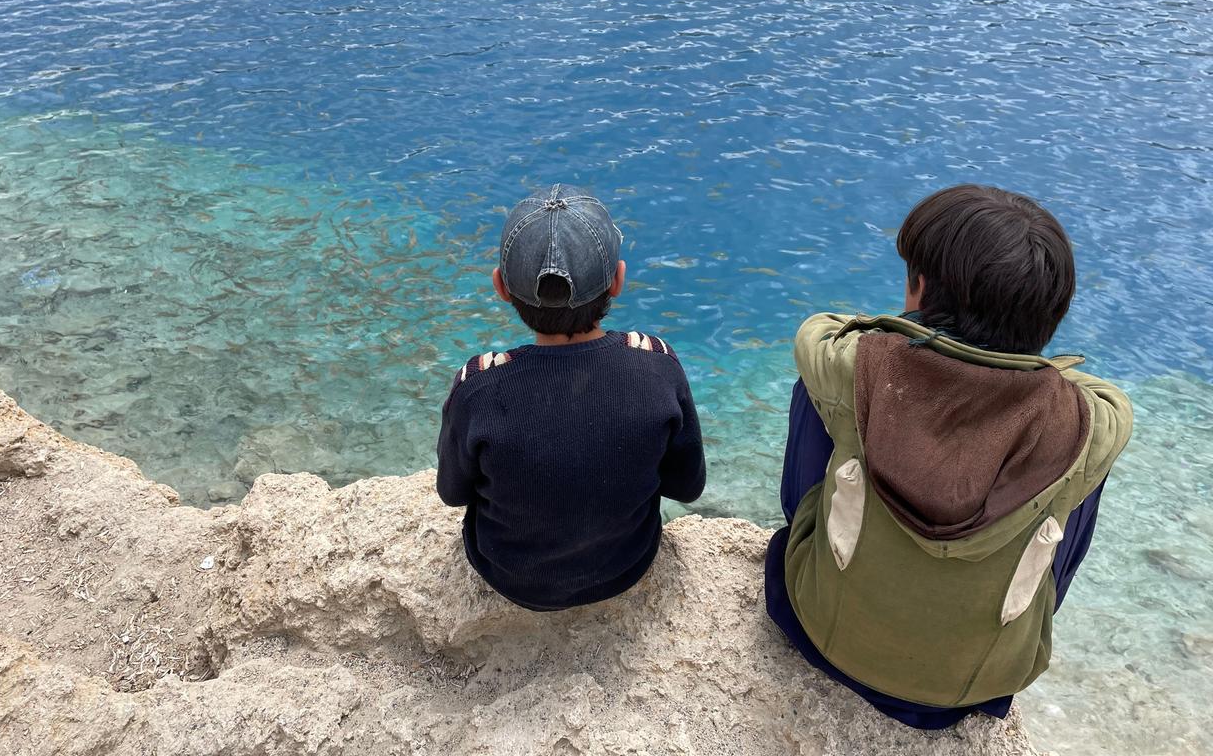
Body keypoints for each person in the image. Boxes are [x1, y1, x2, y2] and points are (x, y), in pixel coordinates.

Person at [764, 184, 1132, 728]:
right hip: (976, 684)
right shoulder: (1088, 420)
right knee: (1078, 460)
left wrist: (910, 340)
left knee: (821, 400)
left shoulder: (854, 368)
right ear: (1048, 318)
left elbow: (820, 334)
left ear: (919, 287)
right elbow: (1104, 406)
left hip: (824, 635)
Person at [437, 183, 706, 611]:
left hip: (510, 577)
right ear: (617, 280)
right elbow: (687, 486)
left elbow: (453, 493)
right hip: (625, 566)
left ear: (500, 287)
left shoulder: (479, 388)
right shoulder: (658, 369)